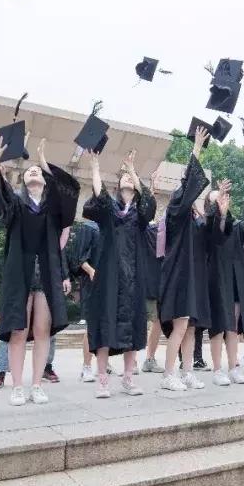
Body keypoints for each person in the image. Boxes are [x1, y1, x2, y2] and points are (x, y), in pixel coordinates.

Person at [0, 132, 76, 406]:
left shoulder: (53, 209)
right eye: (30, 171)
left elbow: (68, 194)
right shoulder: (16, 204)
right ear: (23, 181)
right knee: (18, 331)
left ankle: (37, 384)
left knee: (42, 329)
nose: (33, 172)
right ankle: (17, 386)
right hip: (20, 274)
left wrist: (44, 161)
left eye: (38, 171)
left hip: (46, 274)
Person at [82, 149, 157, 397]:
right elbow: (98, 194)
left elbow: (149, 202)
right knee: (105, 325)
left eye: (130, 178)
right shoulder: (109, 211)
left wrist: (133, 170)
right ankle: (102, 379)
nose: (126, 178)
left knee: (134, 327)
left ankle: (127, 378)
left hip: (134, 278)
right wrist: (95, 166)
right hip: (108, 279)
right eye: (123, 176)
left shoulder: (140, 215)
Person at [157, 126, 212, 391]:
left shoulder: (193, 216)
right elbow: (191, 181)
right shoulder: (177, 206)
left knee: (191, 327)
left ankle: (187, 370)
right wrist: (197, 149)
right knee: (180, 326)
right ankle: (169, 374)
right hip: (179, 275)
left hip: (192, 275)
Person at [204, 179, 244, 385]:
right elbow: (216, 233)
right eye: (216, 200)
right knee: (218, 327)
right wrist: (218, 213)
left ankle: (233, 367)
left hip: (235, 280)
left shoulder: (236, 226)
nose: (221, 201)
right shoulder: (206, 225)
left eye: (223, 198)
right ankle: (217, 370)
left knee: (231, 326)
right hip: (215, 279)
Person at [65, 219, 102, 383]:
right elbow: (79, 258)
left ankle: (104, 363)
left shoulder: (113, 226)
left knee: (107, 325)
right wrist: (91, 271)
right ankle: (86, 367)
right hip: (93, 283)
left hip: (111, 283)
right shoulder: (88, 227)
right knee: (92, 326)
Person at [140, 173, 166, 374]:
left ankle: (149, 358)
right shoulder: (142, 230)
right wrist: (151, 189)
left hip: (159, 286)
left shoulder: (165, 235)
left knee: (156, 322)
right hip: (142, 283)